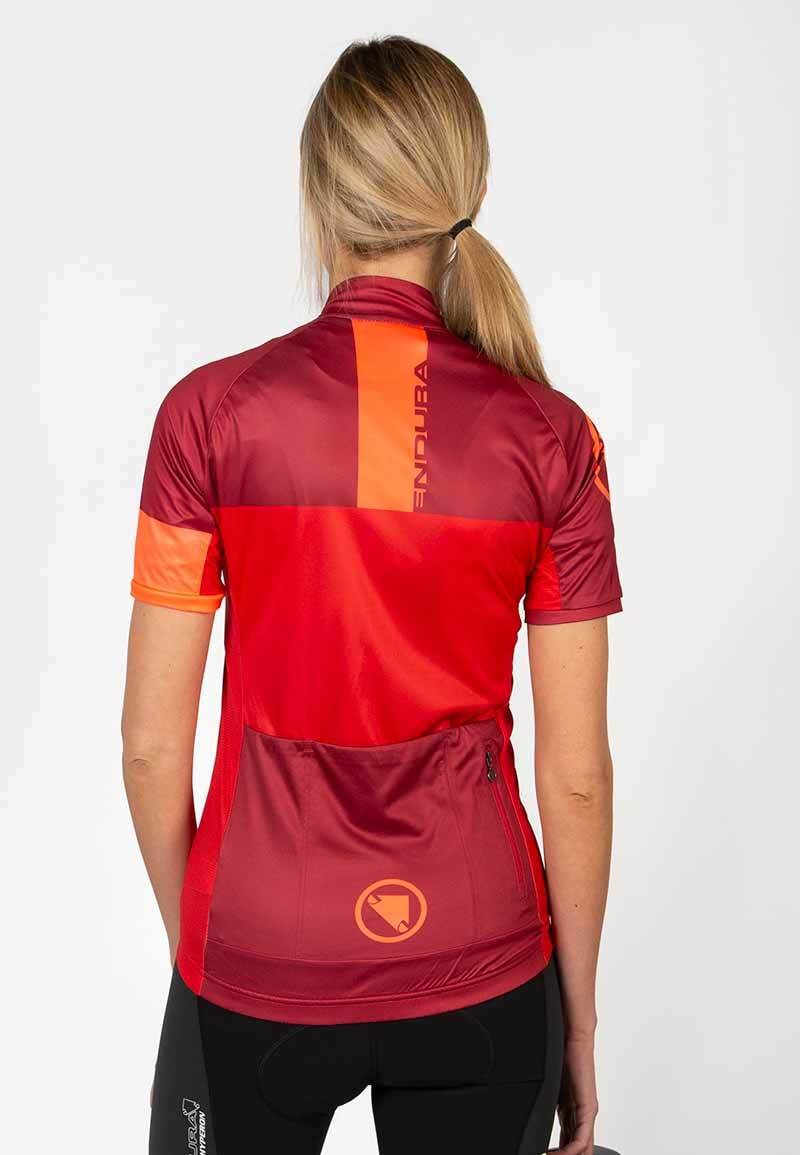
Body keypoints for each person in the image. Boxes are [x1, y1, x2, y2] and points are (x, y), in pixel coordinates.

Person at [122, 35, 622, 1155]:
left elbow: (150, 751)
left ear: (318, 198)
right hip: (484, 962)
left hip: (260, 945)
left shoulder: (205, 418)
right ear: (466, 196)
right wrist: (579, 1023)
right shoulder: (555, 440)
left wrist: (207, 961)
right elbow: (577, 776)